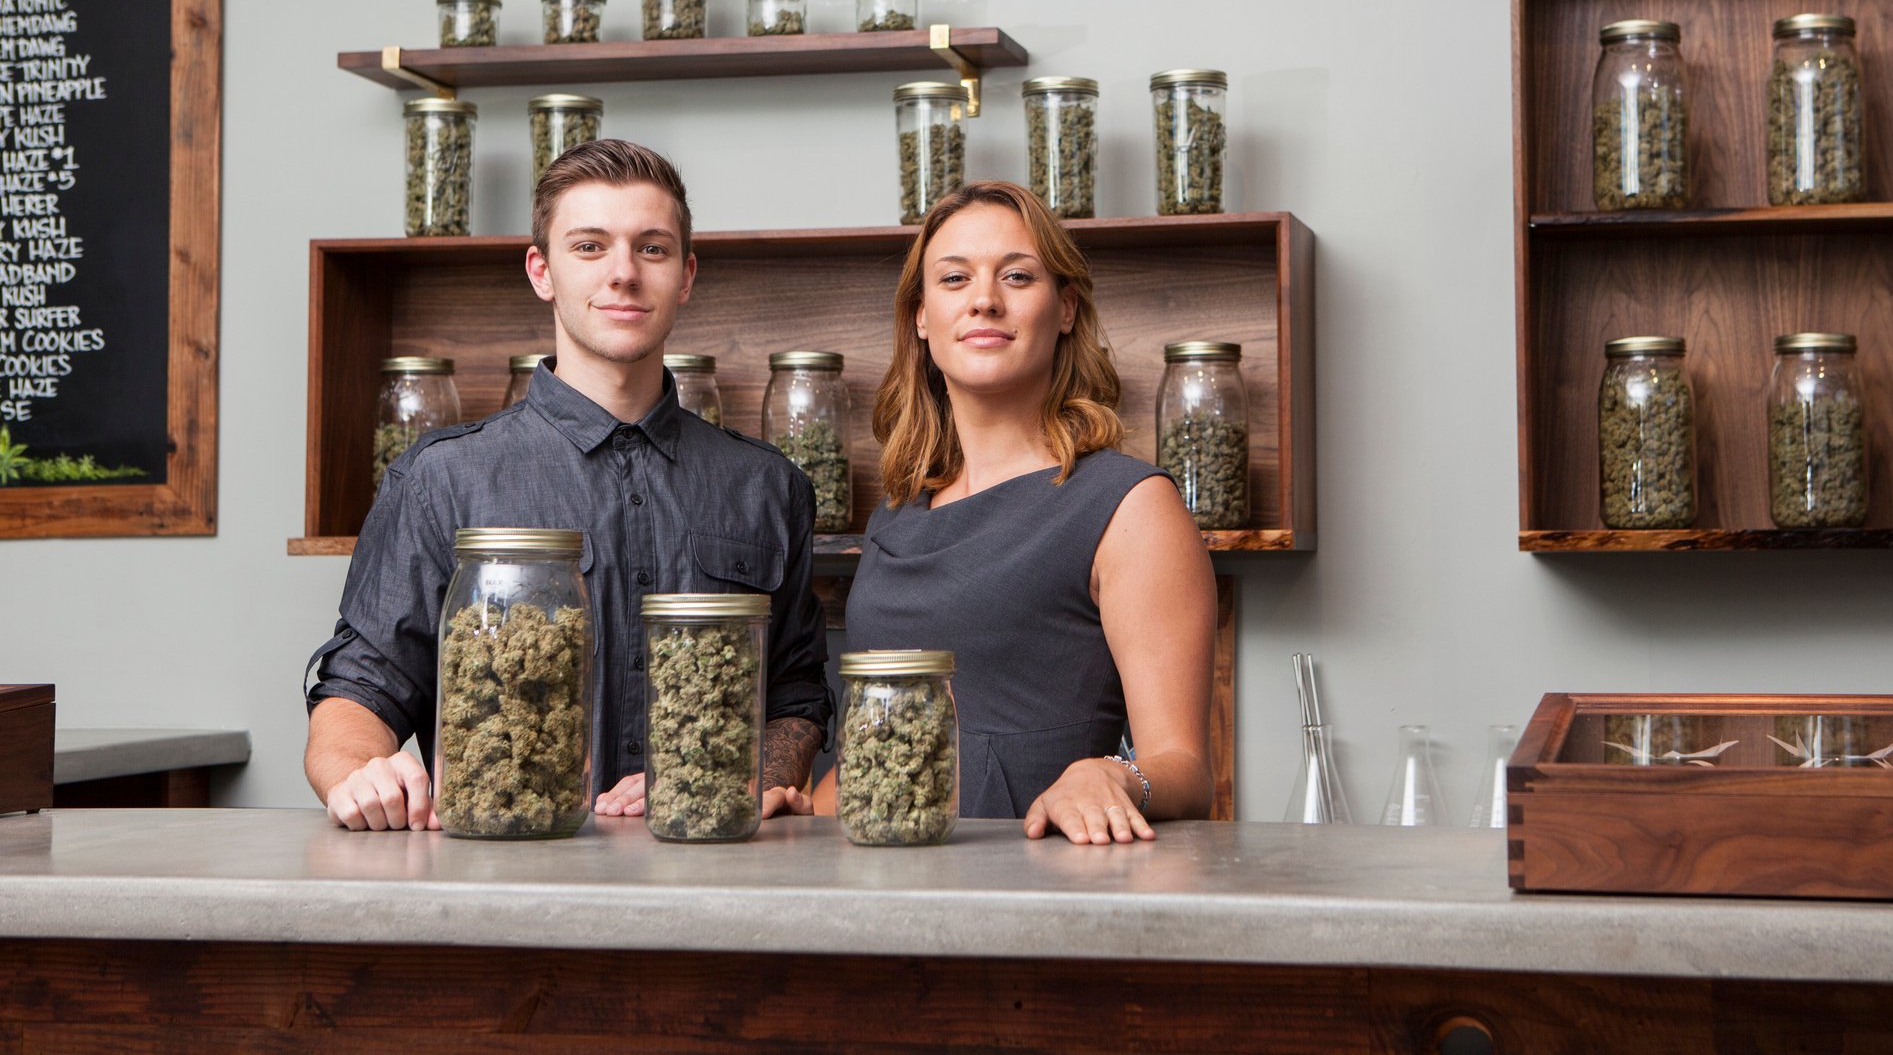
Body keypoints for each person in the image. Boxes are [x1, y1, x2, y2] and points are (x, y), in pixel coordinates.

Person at [302, 140, 832, 831]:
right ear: (541, 271)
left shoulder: (767, 486)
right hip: (505, 872)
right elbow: (361, 687)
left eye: (651, 248)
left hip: (712, 869)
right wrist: (356, 772)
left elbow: (794, 692)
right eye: (589, 246)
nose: (622, 274)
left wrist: (759, 775)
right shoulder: (442, 478)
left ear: (686, 274)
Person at [838, 180, 1216, 844]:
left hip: (1035, 886)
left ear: (1065, 308)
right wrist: (784, 807)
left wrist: (1111, 775)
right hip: (882, 878)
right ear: (922, 316)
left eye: (1016, 275)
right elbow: (865, 759)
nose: (984, 298)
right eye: (953, 278)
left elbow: (1184, 768)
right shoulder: (895, 514)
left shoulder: (1130, 505)